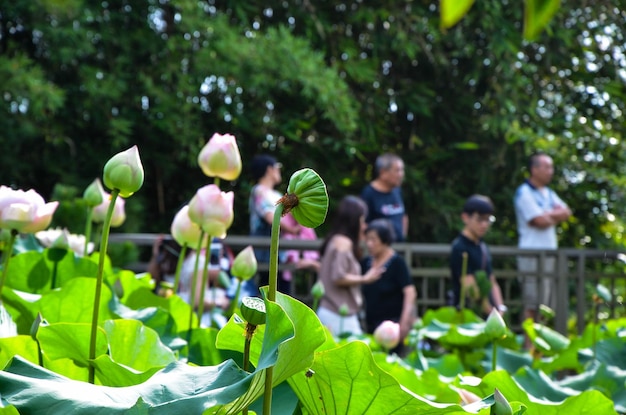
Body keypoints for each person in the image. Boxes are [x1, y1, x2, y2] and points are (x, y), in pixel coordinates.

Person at [514, 152, 571, 322]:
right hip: (531, 254)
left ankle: (539, 347)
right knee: (531, 303)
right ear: (534, 169)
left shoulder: (549, 193)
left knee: (546, 304)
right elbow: (538, 220)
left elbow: (567, 212)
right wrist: (553, 215)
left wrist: (548, 215)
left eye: (551, 167)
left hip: (549, 255)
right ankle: (528, 346)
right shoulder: (524, 192)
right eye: (546, 167)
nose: (550, 171)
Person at [316, 195, 385, 336]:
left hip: (330, 312)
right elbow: (338, 276)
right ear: (354, 221)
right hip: (337, 315)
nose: (365, 226)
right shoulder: (344, 243)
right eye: (363, 221)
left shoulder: (335, 239)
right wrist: (365, 279)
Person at [361, 219, 417, 353]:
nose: (369, 244)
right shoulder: (366, 263)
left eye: (373, 240)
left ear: (385, 240)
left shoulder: (397, 263)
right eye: (367, 239)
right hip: (370, 325)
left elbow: (410, 292)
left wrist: (404, 322)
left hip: (392, 327)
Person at [248, 154, 301, 293]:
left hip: (280, 253)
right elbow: (270, 217)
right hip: (265, 252)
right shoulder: (258, 190)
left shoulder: (276, 194)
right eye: (277, 167)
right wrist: (291, 230)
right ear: (269, 169)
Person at [449, 195, 506, 317]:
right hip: (466, 313)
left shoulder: (482, 247)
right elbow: (469, 286)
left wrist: (500, 307)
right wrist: (490, 311)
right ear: (465, 217)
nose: (484, 225)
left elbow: (491, 280)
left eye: (488, 220)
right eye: (480, 219)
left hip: (488, 314)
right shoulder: (459, 247)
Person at [360, 153, 408, 242]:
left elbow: (404, 217)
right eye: (397, 170)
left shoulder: (397, 191)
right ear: (383, 173)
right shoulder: (369, 193)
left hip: (398, 249)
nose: (401, 174)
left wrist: (403, 238)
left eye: (402, 170)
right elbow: (362, 224)